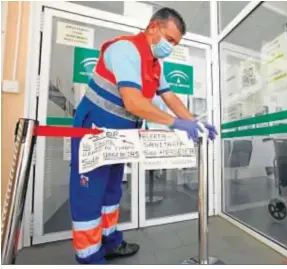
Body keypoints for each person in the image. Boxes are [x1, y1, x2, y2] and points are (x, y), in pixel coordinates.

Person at [69, 7, 218, 265]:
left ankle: (110, 241)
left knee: (112, 191)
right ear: (153, 27)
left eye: (176, 43)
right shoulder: (125, 49)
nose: (170, 46)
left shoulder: (154, 64)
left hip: (120, 135)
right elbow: (134, 102)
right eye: (169, 39)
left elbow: (169, 97)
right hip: (93, 129)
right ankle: (89, 256)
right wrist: (176, 124)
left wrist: (195, 122)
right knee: (90, 193)